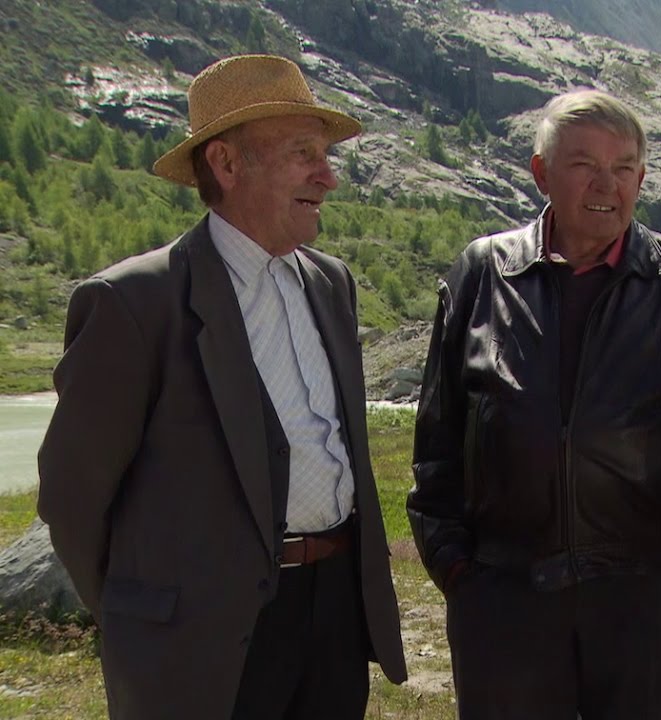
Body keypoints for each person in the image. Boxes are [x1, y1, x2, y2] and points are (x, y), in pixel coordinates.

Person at [37, 54, 407, 720]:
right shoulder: (133, 304)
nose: (328, 176)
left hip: (333, 620)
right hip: (201, 640)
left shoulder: (332, 284)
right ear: (227, 165)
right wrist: (146, 618)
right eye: (303, 154)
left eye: (326, 155)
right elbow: (73, 499)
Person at [407, 89, 661, 720]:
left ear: (642, 178)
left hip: (640, 602)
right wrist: (457, 573)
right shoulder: (484, 272)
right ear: (541, 173)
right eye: (584, 164)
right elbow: (437, 442)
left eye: (624, 168)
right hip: (505, 599)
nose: (605, 185)